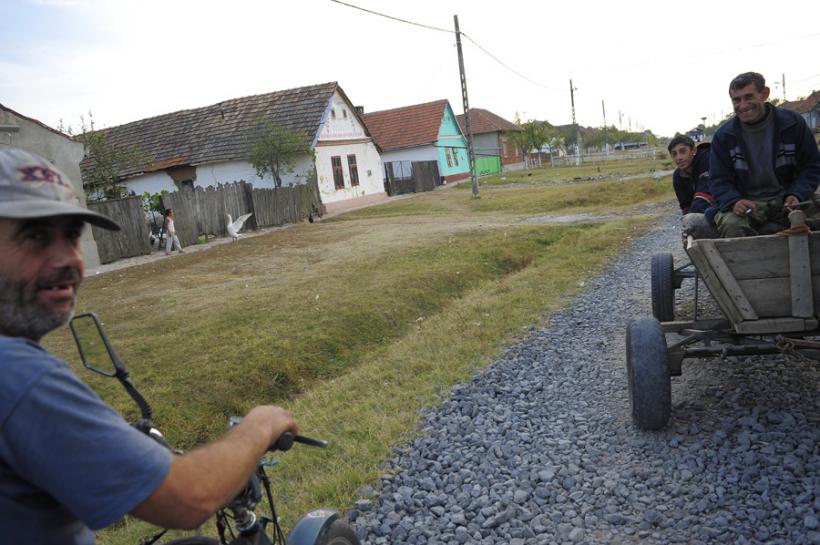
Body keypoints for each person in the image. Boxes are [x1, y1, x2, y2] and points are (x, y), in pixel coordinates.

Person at [0, 147, 298, 544]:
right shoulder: (20, 378)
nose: (68, 259)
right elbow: (189, 499)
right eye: (35, 237)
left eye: (72, 236)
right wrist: (259, 426)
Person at [710, 72, 820, 237]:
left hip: (787, 199)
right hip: (749, 204)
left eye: (749, 97)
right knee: (732, 225)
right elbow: (718, 180)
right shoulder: (723, 136)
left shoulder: (793, 123)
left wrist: (797, 194)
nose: (743, 105)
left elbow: (812, 167)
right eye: (736, 100)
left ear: (764, 94)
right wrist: (734, 201)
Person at [667, 135, 717, 238]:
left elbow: (706, 191)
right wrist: (688, 219)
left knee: (691, 222)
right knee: (688, 234)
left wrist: (690, 219)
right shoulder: (678, 175)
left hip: (723, 204)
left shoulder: (707, 159)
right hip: (703, 212)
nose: (678, 158)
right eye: (674, 154)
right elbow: (685, 205)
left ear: (693, 150)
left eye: (682, 151)